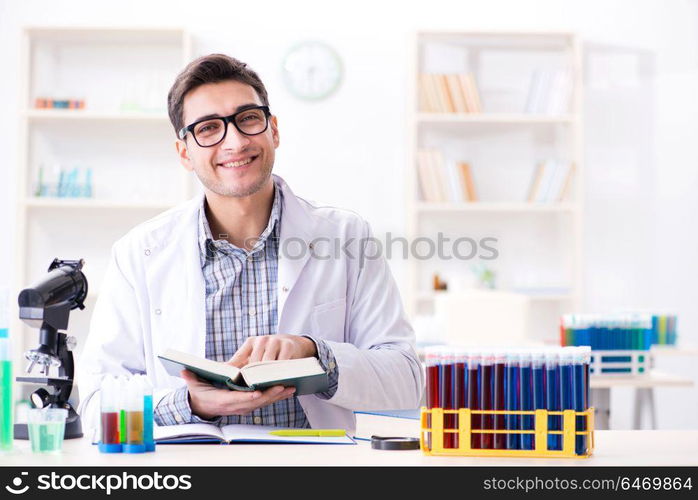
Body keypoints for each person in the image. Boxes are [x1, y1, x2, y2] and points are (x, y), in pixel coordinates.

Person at [77, 54, 423, 434]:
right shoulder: (138, 253)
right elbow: (96, 404)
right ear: (184, 153)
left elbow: (406, 380)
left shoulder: (346, 236)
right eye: (209, 128)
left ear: (273, 129)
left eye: (248, 119)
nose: (235, 141)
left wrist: (315, 353)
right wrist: (189, 403)